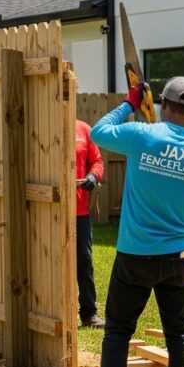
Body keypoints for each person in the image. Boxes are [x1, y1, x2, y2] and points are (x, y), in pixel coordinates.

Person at [81, 76, 184, 367]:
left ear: (161, 105)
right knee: (179, 335)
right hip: (179, 256)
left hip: (136, 254)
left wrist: (128, 102)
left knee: (119, 332)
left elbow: (98, 131)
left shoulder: (142, 134)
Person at [76, 119, 105, 327]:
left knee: (84, 261)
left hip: (79, 212)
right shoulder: (43, 126)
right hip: (49, 212)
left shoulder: (83, 129)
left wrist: (94, 175)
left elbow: (97, 161)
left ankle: (89, 313)